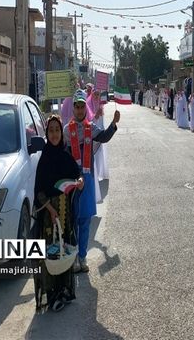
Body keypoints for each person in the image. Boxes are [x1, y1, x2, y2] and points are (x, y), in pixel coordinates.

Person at [63, 90, 120, 273]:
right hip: (72, 180)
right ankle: (73, 258)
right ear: (73, 108)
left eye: (82, 107)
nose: (80, 110)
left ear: (85, 109)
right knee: (72, 220)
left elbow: (103, 137)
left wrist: (113, 124)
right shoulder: (66, 130)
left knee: (85, 220)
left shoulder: (91, 128)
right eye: (77, 107)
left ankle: (82, 257)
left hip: (86, 179)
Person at [33, 115, 84, 313]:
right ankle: (52, 293)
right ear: (46, 133)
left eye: (57, 130)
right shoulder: (44, 159)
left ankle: (65, 290)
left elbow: (77, 172)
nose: (54, 134)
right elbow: (38, 190)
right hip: (49, 214)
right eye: (51, 130)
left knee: (66, 249)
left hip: (66, 212)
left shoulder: (65, 154)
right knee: (51, 252)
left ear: (61, 133)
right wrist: (51, 209)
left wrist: (80, 180)